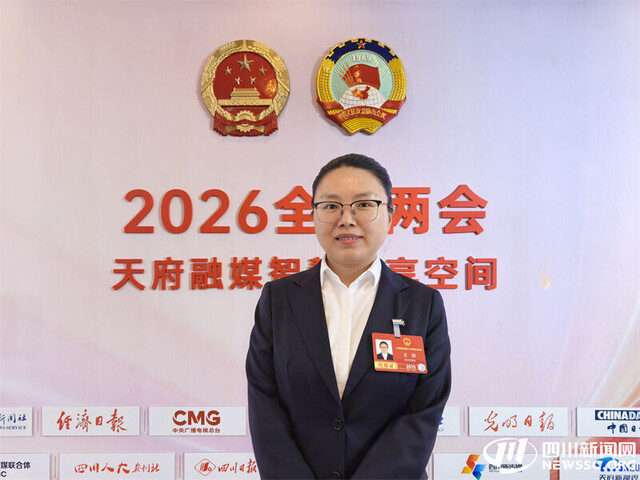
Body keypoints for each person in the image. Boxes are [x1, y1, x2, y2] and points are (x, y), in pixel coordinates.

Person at [246, 153, 451, 479]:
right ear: (313, 216)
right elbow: (265, 406)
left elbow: (423, 411)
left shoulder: (422, 305)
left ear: (390, 214)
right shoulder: (279, 300)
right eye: (331, 206)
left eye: (364, 204)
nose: (346, 219)